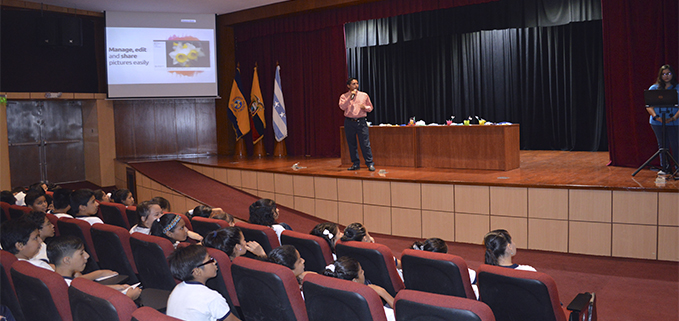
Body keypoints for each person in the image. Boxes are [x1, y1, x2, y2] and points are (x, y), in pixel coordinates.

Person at [47, 235, 141, 300]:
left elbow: (89, 289)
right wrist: (129, 297)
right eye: (81, 253)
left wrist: (116, 288)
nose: (87, 256)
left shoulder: (56, 278)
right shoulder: (72, 290)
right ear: (67, 260)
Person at [166, 245, 241, 321]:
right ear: (197, 271)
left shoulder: (177, 289)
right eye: (210, 259)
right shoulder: (211, 297)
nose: (214, 262)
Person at [324, 256, 395, 321]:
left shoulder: (331, 298)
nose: (363, 272)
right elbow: (401, 313)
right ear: (355, 280)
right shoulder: (369, 303)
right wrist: (383, 292)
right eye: (361, 272)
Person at [647, 64, 679, 175]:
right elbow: (648, 106)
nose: (666, 76)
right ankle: (665, 168)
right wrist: (656, 117)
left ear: (672, 75)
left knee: (675, 145)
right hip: (657, 122)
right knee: (662, 146)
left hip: (674, 122)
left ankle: (677, 168)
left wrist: (674, 118)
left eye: (668, 73)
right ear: (660, 76)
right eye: (663, 74)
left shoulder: (677, 88)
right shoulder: (654, 88)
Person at [339, 77, 375, 171]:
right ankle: (355, 163)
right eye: (353, 84)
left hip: (361, 122)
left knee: (365, 144)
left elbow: (370, 107)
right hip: (349, 122)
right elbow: (342, 107)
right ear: (348, 86)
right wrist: (350, 97)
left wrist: (365, 107)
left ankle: (370, 163)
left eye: (357, 84)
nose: (356, 86)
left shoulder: (364, 95)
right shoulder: (344, 96)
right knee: (352, 144)